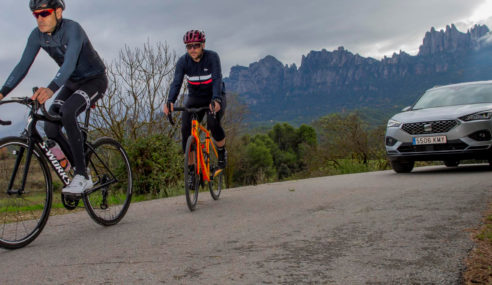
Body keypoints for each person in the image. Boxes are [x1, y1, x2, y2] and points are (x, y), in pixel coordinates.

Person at [0, 0, 108, 196]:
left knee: (68, 111)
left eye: (45, 13)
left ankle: (83, 176)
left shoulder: (73, 29)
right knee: (51, 127)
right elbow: (22, 66)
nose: (40, 19)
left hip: (94, 81)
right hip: (71, 83)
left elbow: (69, 64)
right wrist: (1, 93)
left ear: (58, 12)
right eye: (36, 15)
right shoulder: (37, 36)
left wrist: (50, 90)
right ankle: (79, 169)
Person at [164, 30, 227, 170]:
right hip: (195, 97)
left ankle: (222, 152)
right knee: (186, 129)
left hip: (213, 95)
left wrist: (216, 99)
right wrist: (170, 101)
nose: (192, 49)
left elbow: (217, 78)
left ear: (203, 45)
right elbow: (176, 82)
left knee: (213, 122)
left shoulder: (212, 57)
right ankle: (191, 170)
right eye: (189, 46)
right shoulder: (183, 61)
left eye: (196, 46)